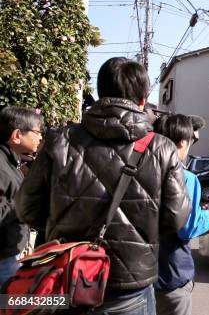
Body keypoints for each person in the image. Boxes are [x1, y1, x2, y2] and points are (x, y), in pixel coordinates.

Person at [16, 57, 191, 314]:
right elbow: (175, 218)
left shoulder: (59, 140)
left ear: (100, 93)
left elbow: (27, 209)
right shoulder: (161, 147)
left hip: (67, 278)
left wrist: (64, 225)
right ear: (142, 100)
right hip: (130, 286)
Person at [152, 114, 209, 315]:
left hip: (140, 275)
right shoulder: (186, 178)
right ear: (182, 143)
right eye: (191, 141)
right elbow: (186, 228)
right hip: (172, 274)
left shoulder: (140, 169)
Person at [0, 106, 43, 286]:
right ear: (17, 135)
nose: (40, 137)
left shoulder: (11, 160)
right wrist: (24, 202)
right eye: (37, 131)